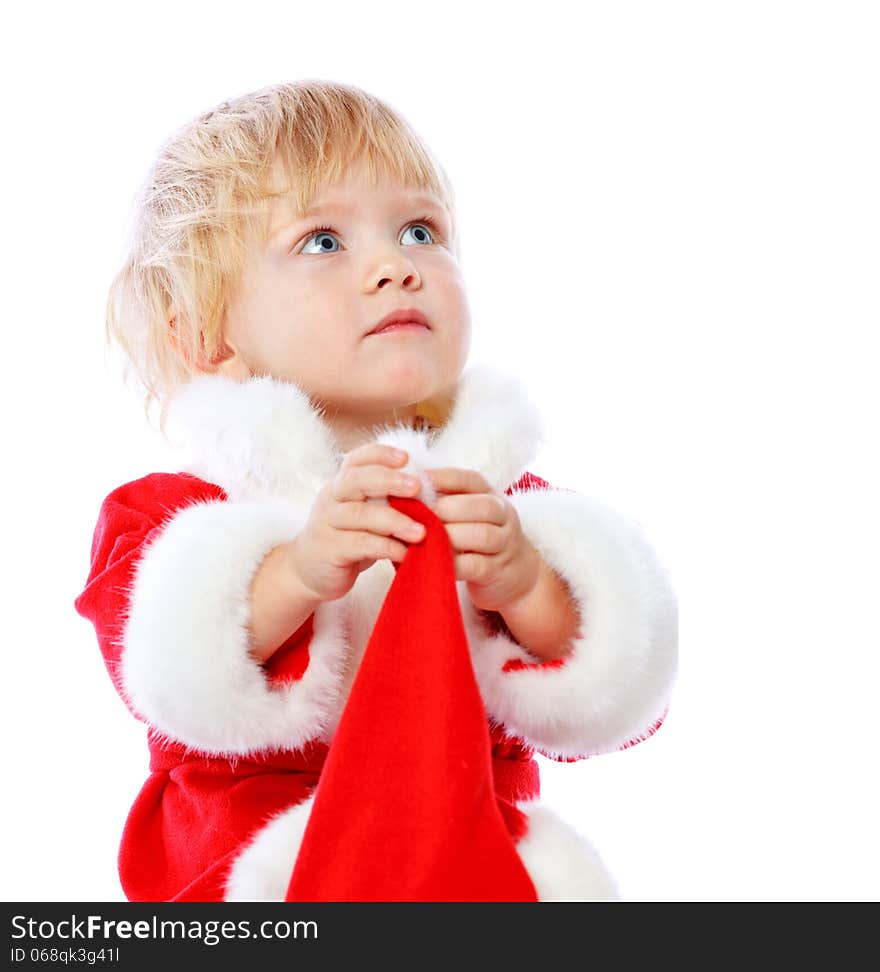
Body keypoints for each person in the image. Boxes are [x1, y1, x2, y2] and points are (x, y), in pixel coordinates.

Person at [74, 79, 678, 901]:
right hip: (252, 884)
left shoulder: (507, 507)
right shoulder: (169, 518)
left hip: (466, 875)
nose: (396, 265)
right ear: (205, 333)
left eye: (421, 230)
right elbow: (166, 671)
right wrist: (296, 570)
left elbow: (609, 688)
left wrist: (529, 584)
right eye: (322, 241)